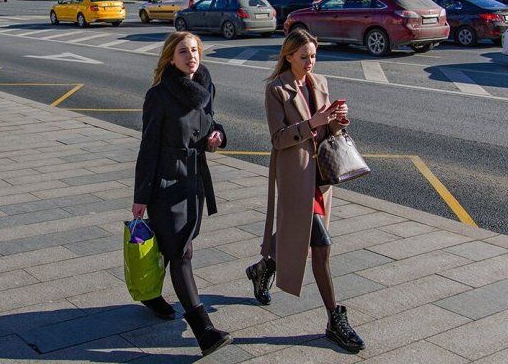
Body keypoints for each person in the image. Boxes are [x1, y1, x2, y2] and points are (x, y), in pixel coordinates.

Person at [245, 29, 364, 354]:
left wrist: (337, 121)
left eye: (313, 56)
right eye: (303, 57)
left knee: (294, 233)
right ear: (288, 56)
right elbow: (278, 138)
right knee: (320, 247)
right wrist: (313, 122)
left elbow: (326, 130)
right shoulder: (276, 89)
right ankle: (334, 318)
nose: (310, 62)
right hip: (296, 176)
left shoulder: (319, 82)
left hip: (320, 178)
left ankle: (262, 268)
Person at [131, 31, 231, 357]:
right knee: (181, 252)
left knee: (175, 244)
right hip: (166, 182)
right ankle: (203, 329)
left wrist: (216, 137)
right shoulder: (158, 95)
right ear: (170, 58)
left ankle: (150, 294)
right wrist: (141, 195)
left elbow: (210, 125)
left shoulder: (204, 88)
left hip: (194, 181)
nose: (191, 57)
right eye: (183, 52)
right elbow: (148, 147)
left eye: (194, 50)